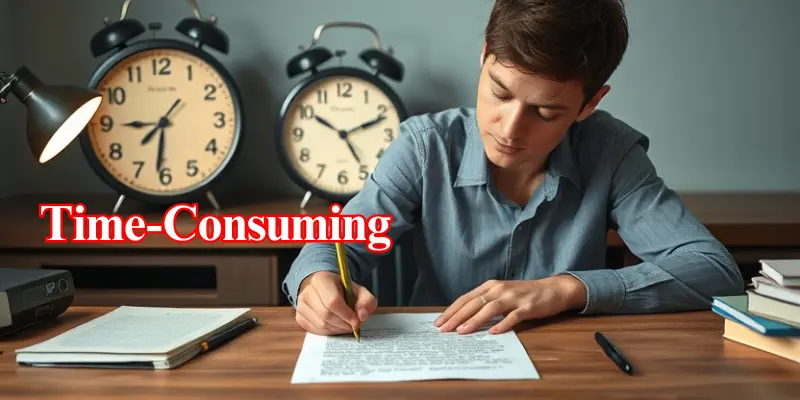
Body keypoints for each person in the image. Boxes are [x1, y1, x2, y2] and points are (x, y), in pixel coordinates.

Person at [282, 0, 744, 337]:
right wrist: (315, 281)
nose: (509, 128)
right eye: (500, 92)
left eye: (545, 112)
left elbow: (712, 270)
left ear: (590, 103)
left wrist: (566, 289)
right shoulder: (425, 146)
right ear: (484, 55)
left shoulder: (611, 153)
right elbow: (336, 241)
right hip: (438, 363)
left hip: (569, 371)